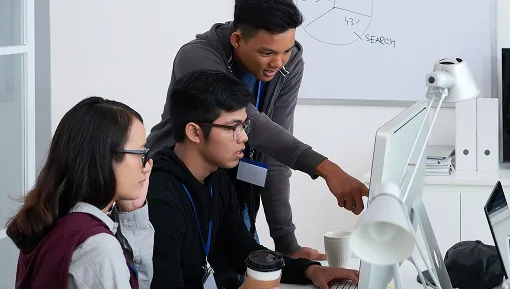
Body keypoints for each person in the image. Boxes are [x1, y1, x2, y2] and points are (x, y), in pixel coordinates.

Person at [5, 97, 278, 289]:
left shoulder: (58, 220)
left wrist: (134, 213)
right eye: (140, 153)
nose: (148, 165)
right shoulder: (96, 246)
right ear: (105, 160)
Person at [142, 71, 359, 289]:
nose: (243, 138)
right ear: (195, 132)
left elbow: (243, 251)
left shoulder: (216, 176)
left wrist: (309, 270)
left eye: (244, 126)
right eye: (233, 127)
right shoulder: (158, 195)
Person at [146, 0, 369, 260]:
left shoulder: (290, 60)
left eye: (285, 51)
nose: (278, 62)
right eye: (267, 53)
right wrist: (325, 168)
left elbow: (274, 154)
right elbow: (256, 125)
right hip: (177, 184)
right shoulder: (197, 56)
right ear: (238, 40)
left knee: (244, 276)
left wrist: (286, 243)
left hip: (231, 189)